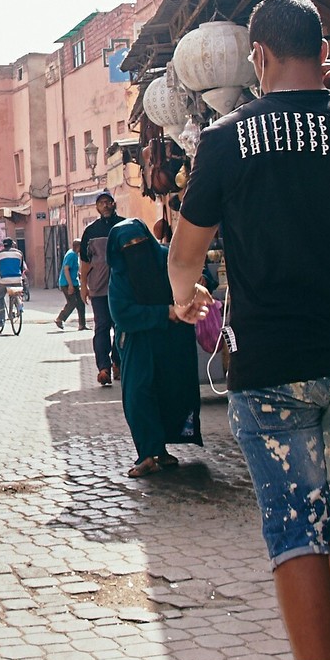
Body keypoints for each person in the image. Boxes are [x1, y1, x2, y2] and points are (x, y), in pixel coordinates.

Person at [169, 0, 330, 660]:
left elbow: (184, 256)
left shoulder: (224, 140)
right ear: (324, 50)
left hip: (272, 364)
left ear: (259, 55)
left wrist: (188, 297)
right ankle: (321, 648)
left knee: (295, 527)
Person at [105, 217, 201, 478]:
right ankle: (147, 454)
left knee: (171, 390)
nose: (136, 250)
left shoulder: (166, 258)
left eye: (140, 243)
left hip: (172, 341)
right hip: (138, 342)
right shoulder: (120, 277)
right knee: (138, 395)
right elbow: (122, 314)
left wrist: (199, 285)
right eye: (129, 247)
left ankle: (162, 449)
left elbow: (192, 273)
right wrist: (164, 313)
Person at [78, 192, 124, 387]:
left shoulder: (124, 226)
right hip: (99, 289)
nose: (104, 206)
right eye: (100, 203)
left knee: (121, 328)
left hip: (123, 288)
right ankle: (103, 368)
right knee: (102, 327)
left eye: (107, 202)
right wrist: (83, 287)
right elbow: (86, 262)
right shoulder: (91, 231)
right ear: (96, 208)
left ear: (113, 204)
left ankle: (118, 363)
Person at [0, 238, 27, 332]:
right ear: (12, 244)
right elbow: (22, 267)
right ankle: (19, 306)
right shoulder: (19, 253)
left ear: (3, 245)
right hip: (17, 280)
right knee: (17, 293)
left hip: (3, 281)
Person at [54, 239, 87, 330]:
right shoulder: (71, 255)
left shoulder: (75, 254)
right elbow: (66, 269)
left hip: (74, 282)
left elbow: (73, 269)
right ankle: (60, 319)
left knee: (81, 303)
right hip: (67, 283)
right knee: (72, 302)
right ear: (78, 247)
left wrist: (79, 275)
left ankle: (82, 325)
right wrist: (70, 285)